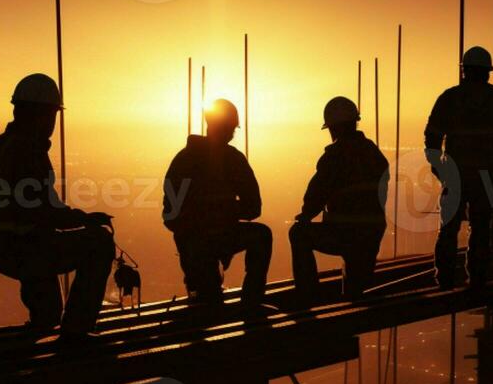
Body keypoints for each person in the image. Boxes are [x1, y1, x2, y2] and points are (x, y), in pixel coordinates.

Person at [0, 73, 114, 345]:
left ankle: (43, 326)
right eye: (52, 115)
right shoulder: (25, 152)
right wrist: (85, 222)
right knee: (99, 243)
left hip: (10, 246)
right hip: (25, 247)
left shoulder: (4, 145)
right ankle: (77, 332)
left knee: (49, 315)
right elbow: (43, 212)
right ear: (40, 115)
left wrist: (80, 219)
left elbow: (41, 208)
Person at [424, 47, 493, 290]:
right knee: (480, 226)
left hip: (456, 175)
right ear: (488, 72)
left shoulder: (450, 97)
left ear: (464, 70)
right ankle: (477, 277)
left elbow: (432, 137)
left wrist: (439, 169)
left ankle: (444, 279)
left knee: (449, 228)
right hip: (486, 175)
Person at [163, 98, 272, 310]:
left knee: (209, 301)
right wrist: (223, 215)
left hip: (199, 241)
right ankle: (252, 302)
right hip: (205, 241)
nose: (231, 133)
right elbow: (252, 208)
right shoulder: (233, 160)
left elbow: (170, 215)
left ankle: (237, 297)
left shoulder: (184, 160)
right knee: (261, 236)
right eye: (231, 128)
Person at [289, 97, 389, 305]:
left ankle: (307, 298)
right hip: (372, 233)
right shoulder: (375, 154)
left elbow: (315, 195)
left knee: (298, 234)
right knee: (355, 287)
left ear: (333, 128)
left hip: (345, 233)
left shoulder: (334, 156)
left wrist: (306, 215)